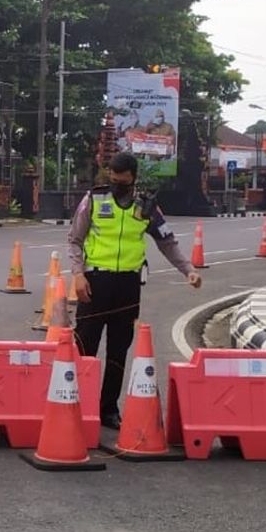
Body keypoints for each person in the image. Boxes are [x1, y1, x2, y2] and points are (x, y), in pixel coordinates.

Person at [67, 152, 202, 429]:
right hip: (94, 283)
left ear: (134, 179)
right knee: (85, 348)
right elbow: (74, 240)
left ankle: (107, 410)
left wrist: (188, 269)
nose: (117, 186)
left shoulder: (146, 207)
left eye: (123, 182)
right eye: (113, 180)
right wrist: (78, 275)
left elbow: (167, 242)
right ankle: (79, 404)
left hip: (127, 286)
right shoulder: (94, 199)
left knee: (118, 350)